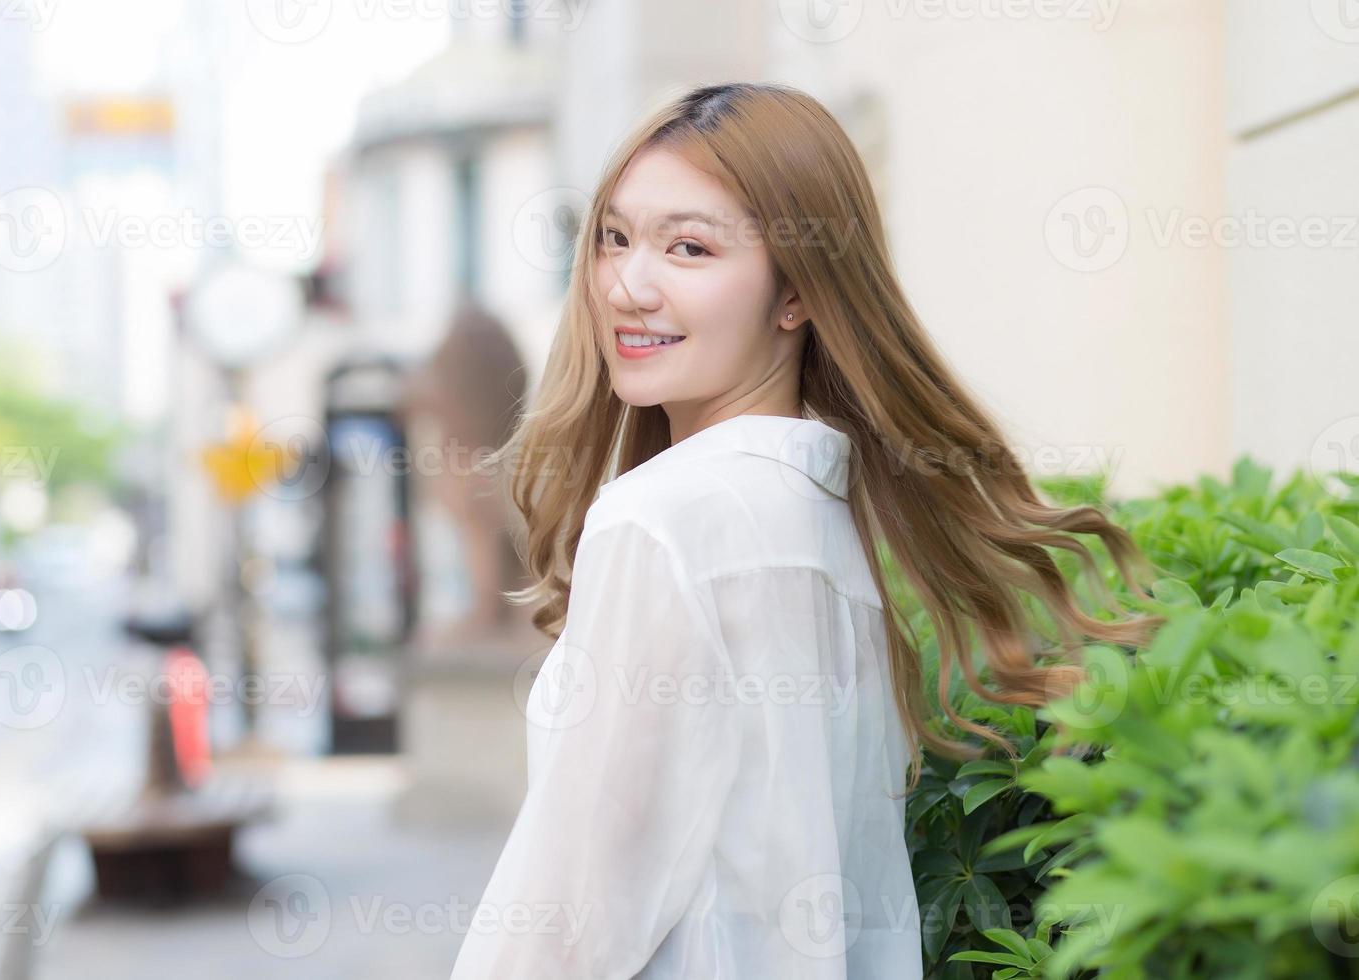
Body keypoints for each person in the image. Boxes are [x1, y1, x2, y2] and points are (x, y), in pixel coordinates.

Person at [449, 81, 1162, 979]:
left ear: (797, 297)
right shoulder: (824, 519)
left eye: (691, 247)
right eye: (615, 238)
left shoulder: (665, 521)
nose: (629, 285)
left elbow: (566, 918)